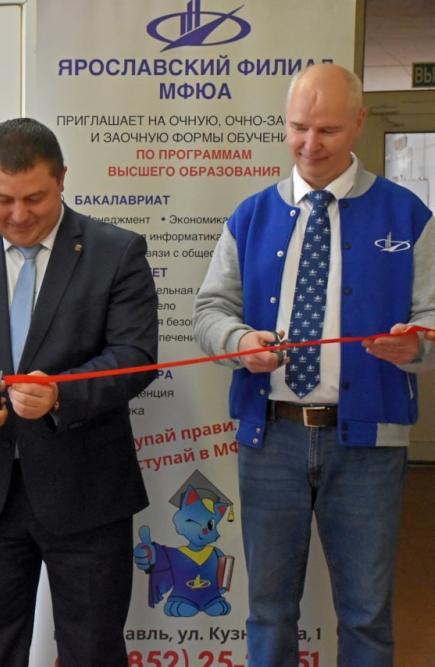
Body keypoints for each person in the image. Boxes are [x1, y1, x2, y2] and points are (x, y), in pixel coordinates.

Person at [193, 63, 435, 667]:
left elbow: (433, 317)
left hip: (369, 445)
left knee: (366, 613)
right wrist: (238, 340)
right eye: (299, 127)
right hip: (269, 437)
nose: (310, 144)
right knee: (269, 611)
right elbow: (209, 311)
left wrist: (418, 348)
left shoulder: (408, 216)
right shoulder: (251, 216)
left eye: (327, 129)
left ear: (359, 123)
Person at [0, 117, 159, 667]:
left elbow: (136, 356)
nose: (18, 215)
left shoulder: (116, 252)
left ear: (62, 179)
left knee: (92, 652)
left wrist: (61, 393)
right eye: (2, 200)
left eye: (35, 198)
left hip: (87, 492)